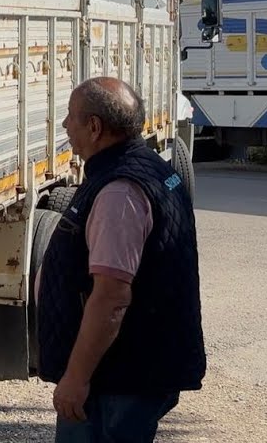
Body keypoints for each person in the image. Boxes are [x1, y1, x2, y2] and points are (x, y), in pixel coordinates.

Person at [38, 77, 206, 443]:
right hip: (137, 368)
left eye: (70, 116)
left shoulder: (120, 192)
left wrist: (76, 378)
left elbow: (111, 297)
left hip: (116, 379)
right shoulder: (152, 169)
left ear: (94, 127)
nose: (65, 125)